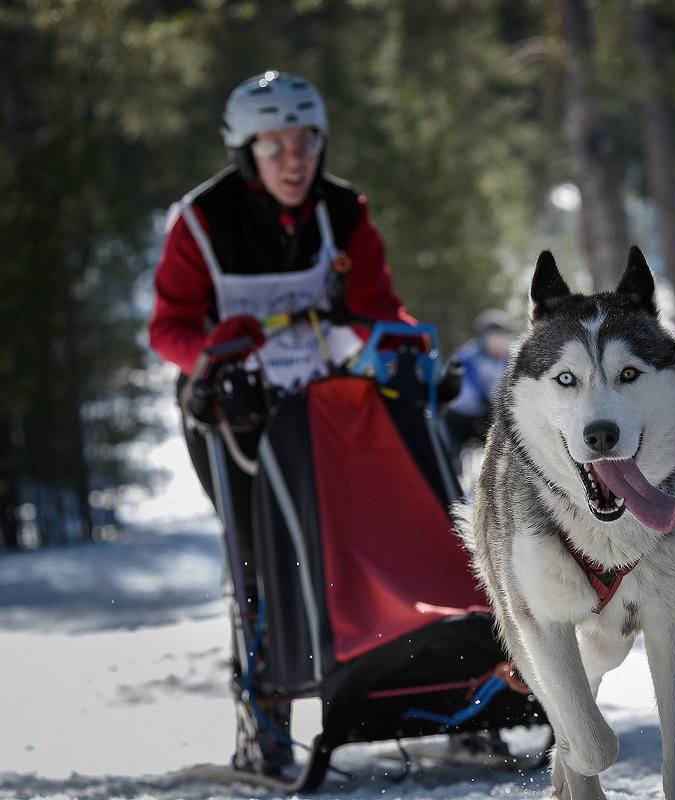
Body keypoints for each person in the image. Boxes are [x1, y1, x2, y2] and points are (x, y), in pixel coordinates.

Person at [148, 70, 415, 776]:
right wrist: (212, 352)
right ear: (245, 152)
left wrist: (407, 340)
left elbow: (377, 302)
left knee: (373, 537)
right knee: (262, 563)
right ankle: (264, 725)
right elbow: (167, 326)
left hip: (324, 405)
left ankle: (425, 691)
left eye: (304, 141)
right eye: (274, 145)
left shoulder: (342, 211)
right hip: (231, 414)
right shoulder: (202, 221)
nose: (294, 158)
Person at [444, 309, 513, 460]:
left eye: (502, 336)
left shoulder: (511, 361)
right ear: (483, 337)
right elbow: (457, 392)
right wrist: (483, 401)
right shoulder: (466, 358)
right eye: (494, 336)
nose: (499, 342)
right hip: (464, 418)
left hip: (494, 416)